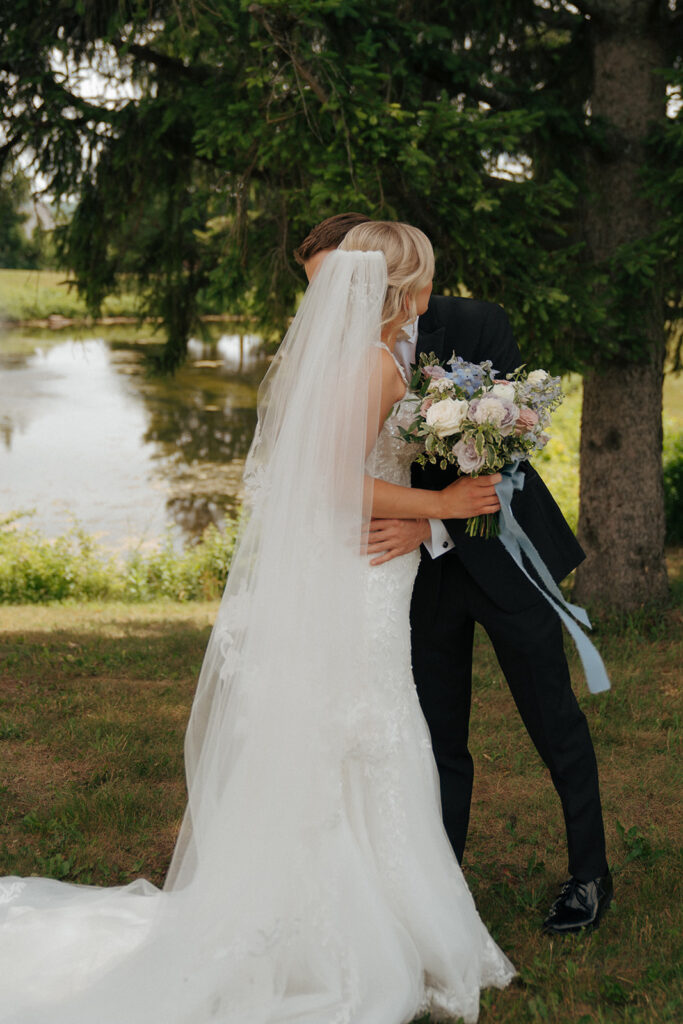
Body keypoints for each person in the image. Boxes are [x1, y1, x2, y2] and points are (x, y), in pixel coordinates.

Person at [0, 223, 514, 1024]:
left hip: (361, 567)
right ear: (402, 289)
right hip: (360, 568)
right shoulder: (378, 364)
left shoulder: (363, 360)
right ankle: (361, 929)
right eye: (422, 282)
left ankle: (367, 912)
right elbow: (332, 484)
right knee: (374, 728)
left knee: (358, 731)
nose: (426, 296)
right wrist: (438, 504)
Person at [295, 214, 612, 935]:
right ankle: (441, 888)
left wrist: (431, 519)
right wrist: (419, 521)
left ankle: (589, 875)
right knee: (435, 736)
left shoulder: (476, 325)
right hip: (417, 576)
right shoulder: (353, 352)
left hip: (501, 556)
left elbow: (507, 458)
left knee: (553, 718)